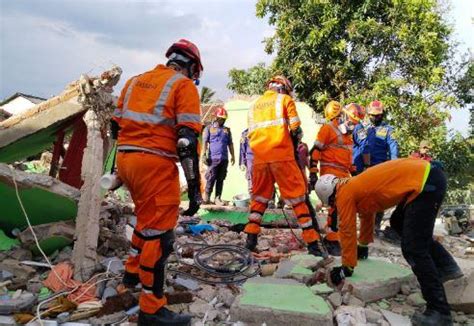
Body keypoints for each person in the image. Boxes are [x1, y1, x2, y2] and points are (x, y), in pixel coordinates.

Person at [112, 39, 203, 325]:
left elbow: (115, 127)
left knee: (145, 221)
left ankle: (131, 274)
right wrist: (195, 187)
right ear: (190, 67)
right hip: (154, 165)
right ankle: (151, 309)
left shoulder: (135, 81)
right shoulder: (182, 85)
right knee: (160, 237)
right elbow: (187, 142)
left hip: (126, 161)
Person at [315, 158, 462, 326]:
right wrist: (362, 245)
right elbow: (367, 214)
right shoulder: (352, 185)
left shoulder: (344, 193)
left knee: (413, 248)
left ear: (329, 195)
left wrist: (346, 267)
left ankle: (439, 311)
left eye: (332, 204)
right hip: (428, 178)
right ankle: (446, 267)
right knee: (398, 222)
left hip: (425, 183)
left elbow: (347, 229)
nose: (335, 206)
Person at [243, 75, 324, 255]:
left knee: (259, 200)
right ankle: (312, 244)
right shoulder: (285, 100)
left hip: (260, 160)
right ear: (284, 88)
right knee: (297, 199)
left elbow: (250, 134)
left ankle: (250, 239)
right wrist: (296, 143)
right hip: (282, 157)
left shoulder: (253, 106)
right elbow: (295, 127)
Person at [309, 102, 364, 255]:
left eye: (355, 123)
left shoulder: (348, 137)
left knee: (345, 208)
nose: (352, 125)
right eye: (351, 121)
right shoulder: (328, 129)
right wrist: (313, 172)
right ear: (343, 115)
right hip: (330, 173)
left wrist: (356, 175)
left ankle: (337, 237)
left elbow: (349, 159)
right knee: (336, 207)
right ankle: (332, 239)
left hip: (343, 175)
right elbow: (315, 150)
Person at [361, 100, 398, 232]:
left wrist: (394, 168)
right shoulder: (363, 128)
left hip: (381, 168)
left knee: (380, 198)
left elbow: (393, 150)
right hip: (365, 168)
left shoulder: (388, 130)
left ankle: (375, 226)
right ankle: (365, 225)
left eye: (378, 115)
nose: (375, 117)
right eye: (372, 115)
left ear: (382, 115)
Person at [202, 107, 235, 205]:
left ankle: (217, 198)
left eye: (224, 119)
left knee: (220, 179)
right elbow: (204, 142)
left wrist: (233, 156)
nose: (222, 120)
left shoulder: (227, 130)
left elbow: (230, 144)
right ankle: (207, 197)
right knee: (211, 178)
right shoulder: (209, 128)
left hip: (224, 159)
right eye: (221, 118)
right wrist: (204, 154)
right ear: (216, 117)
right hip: (213, 159)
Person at [239, 128, 254, 195]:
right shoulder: (245, 133)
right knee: (250, 175)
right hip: (250, 157)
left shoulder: (262, 130)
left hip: (262, 157)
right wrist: (242, 162)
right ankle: (252, 196)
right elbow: (242, 149)